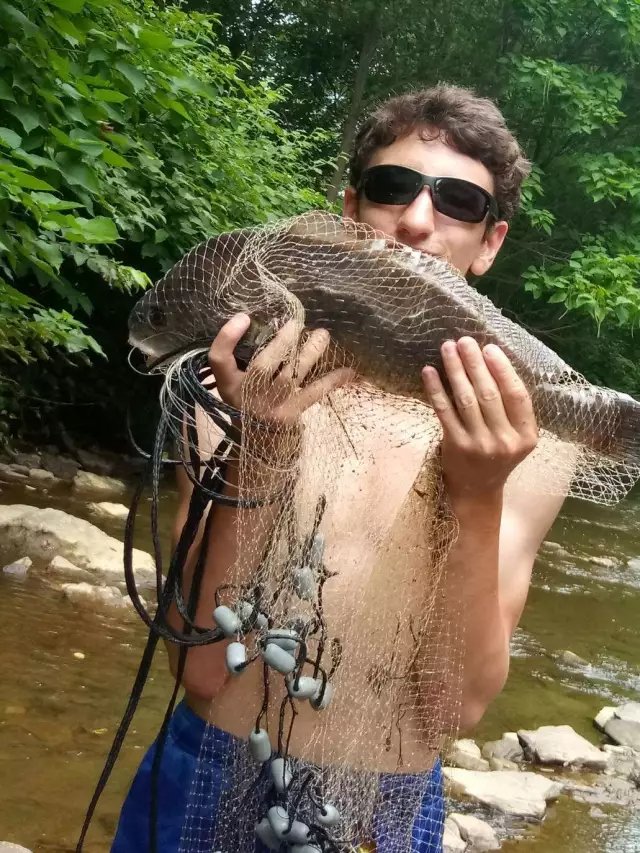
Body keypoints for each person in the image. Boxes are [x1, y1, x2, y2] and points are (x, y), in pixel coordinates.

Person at [112, 85, 570, 853]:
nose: (418, 222)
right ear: (348, 205)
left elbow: (453, 709)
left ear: (490, 243)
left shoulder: (530, 441)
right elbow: (197, 668)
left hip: (381, 807)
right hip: (205, 769)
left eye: (457, 202)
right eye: (394, 188)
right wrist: (261, 442)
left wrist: (477, 493)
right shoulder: (229, 379)